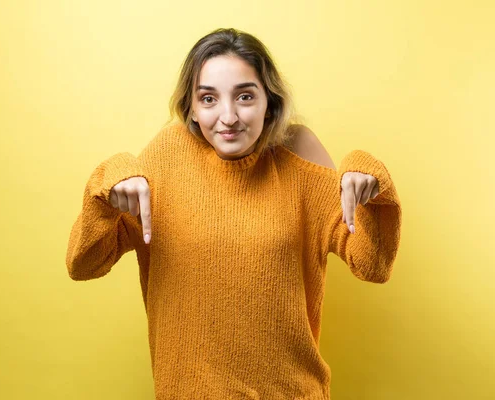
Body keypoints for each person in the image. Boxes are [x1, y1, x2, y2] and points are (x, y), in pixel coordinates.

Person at [66, 28, 402, 399]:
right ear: (191, 107)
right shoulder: (167, 156)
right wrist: (105, 184)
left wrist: (370, 180)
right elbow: (84, 265)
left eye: (244, 96)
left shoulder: (298, 152)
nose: (228, 117)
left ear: (269, 102)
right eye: (208, 99)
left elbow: (372, 264)